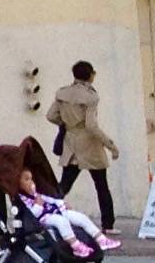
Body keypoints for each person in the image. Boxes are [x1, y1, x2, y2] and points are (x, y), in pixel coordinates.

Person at [49, 59, 119, 231]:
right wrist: (110, 145)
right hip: (90, 144)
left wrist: (66, 124)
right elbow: (91, 126)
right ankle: (108, 224)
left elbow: (51, 116)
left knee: (64, 184)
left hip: (71, 142)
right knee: (101, 185)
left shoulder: (62, 93)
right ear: (90, 75)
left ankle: (46, 214)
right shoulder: (91, 97)